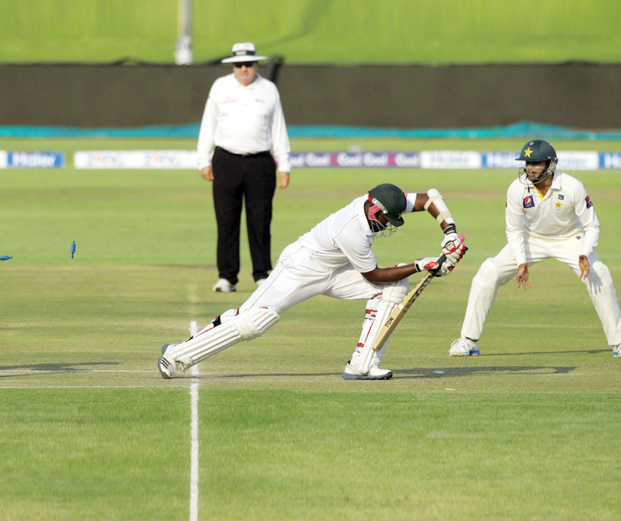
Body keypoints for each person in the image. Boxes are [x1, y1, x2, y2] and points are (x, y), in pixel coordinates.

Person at [158, 184, 468, 380]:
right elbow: (373, 275)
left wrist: (449, 233)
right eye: (388, 220)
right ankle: (176, 355)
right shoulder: (352, 231)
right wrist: (420, 265)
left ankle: (362, 364)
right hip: (301, 267)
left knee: (393, 291)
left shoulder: (383, 201)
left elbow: (430, 198)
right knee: (254, 322)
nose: (389, 225)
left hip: (335, 270)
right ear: (375, 210)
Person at [450, 139, 621, 358]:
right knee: (489, 270)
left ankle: (618, 341)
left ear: (550, 164)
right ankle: (468, 341)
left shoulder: (572, 186)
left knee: (601, 274)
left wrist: (584, 253)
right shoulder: (517, 188)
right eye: (527, 162)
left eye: (536, 162)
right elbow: (513, 230)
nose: (530, 168)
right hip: (530, 238)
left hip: (570, 237)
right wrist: (521, 261)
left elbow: (591, 225)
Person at [197, 42, 291, 293]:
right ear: (233, 66)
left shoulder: (268, 89)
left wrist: (284, 164)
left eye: (248, 64)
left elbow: (278, 128)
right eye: (238, 65)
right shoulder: (220, 86)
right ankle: (227, 277)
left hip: (260, 161)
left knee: (260, 220)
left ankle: (262, 274)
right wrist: (203, 160)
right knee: (226, 220)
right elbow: (209, 124)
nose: (243, 69)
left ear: (256, 64)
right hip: (226, 159)